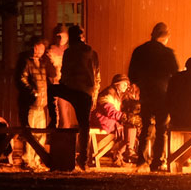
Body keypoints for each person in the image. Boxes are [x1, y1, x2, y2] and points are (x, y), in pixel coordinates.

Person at [128, 21, 180, 170]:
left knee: (146, 127)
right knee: (161, 128)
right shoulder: (167, 53)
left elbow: (132, 73)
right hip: (163, 94)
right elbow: (175, 74)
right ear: (165, 37)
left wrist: (139, 85)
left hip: (146, 93)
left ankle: (141, 160)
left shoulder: (139, 51)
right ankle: (157, 161)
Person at [52, 23, 101, 169]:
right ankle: (83, 161)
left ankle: (53, 121)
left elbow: (65, 72)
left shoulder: (69, 52)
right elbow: (97, 74)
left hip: (71, 89)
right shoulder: (92, 53)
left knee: (51, 91)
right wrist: (94, 94)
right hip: (86, 92)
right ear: (83, 37)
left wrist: (62, 85)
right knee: (84, 125)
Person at [10, 35, 51, 170]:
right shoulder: (25, 61)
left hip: (41, 104)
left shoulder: (43, 63)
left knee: (41, 134)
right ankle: (28, 161)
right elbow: (21, 79)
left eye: (40, 47)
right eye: (35, 46)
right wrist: (33, 92)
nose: (37, 49)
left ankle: (37, 161)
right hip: (30, 105)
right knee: (30, 134)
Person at [91, 74, 130, 165]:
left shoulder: (117, 94)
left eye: (127, 84)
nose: (126, 86)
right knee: (127, 129)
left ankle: (119, 155)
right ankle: (118, 155)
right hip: (102, 120)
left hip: (108, 120)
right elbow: (109, 111)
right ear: (117, 84)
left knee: (130, 130)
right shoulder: (108, 93)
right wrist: (124, 117)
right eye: (124, 83)